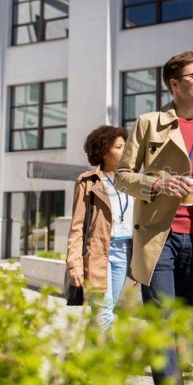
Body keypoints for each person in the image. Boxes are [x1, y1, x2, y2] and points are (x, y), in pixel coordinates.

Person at [115, 51, 193, 385]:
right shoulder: (148, 123)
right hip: (158, 236)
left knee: (184, 316)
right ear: (174, 84)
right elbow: (122, 176)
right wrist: (157, 184)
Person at [66, 126, 133, 332]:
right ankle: (105, 360)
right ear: (104, 151)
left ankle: (91, 358)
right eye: (119, 147)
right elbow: (77, 227)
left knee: (106, 309)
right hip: (98, 252)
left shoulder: (134, 179)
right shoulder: (87, 181)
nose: (125, 150)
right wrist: (74, 265)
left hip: (125, 249)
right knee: (103, 311)